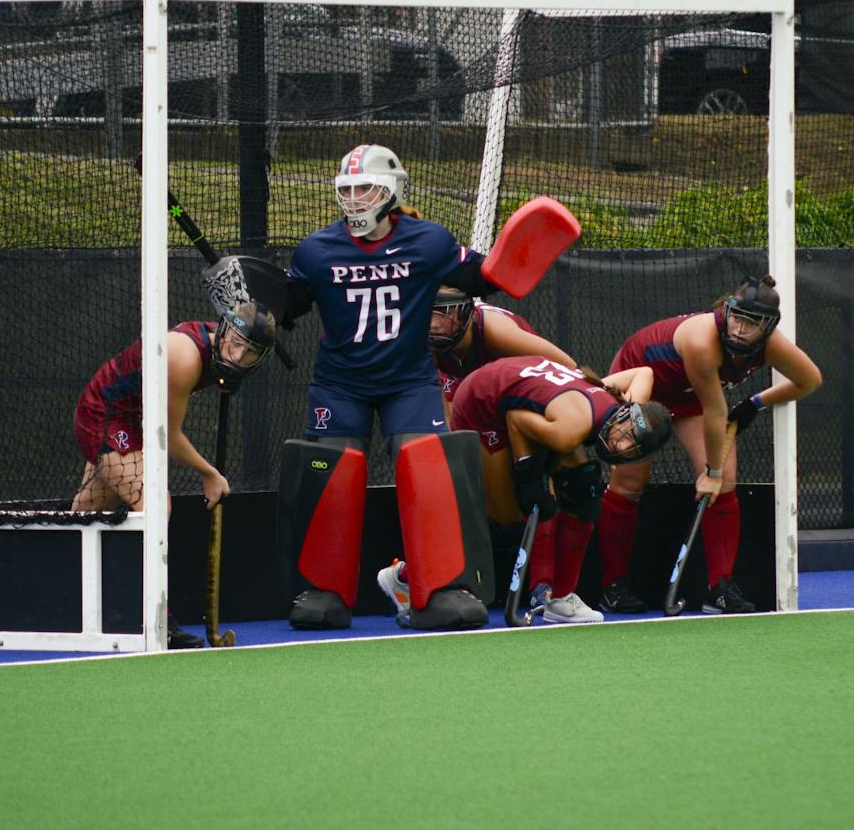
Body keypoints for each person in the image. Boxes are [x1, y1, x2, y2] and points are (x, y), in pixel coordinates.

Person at [282, 143, 499, 628]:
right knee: (331, 476)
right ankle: (325, 592)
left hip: (409, 380)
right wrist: (256, 298)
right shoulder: (316, 249)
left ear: (393, 191)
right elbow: (286, 305)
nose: (356, 198)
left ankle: (440, 588)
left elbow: (484, 276)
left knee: (429, 472)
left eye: (367, 188)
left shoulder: (430, 241)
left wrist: (519, 256)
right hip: (340, 384)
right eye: (348, 189)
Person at [381, 354, 672, 625]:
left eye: (634, 447)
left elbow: (644, 372)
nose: (623, 446)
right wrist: (527, 473)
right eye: (627, 436)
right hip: (483, 401)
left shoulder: (621, 406)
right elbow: (517, 419)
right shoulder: (571, 430)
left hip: (531, 398)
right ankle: (405, 577)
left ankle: (560, 599)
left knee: (583, 491)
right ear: (625, 414)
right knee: (506, 518)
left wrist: (626, 412)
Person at [595, 274, 822, 615]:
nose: (740, 331)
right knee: (630, 480)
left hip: (687, 398)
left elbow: (809, 379)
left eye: (753, 324)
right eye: (737, 318)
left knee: (725, 481)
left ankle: (720, 588)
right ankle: (611, 585)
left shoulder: (772, 345)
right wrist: (710, 472)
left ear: (769, 327)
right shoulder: (703, 342)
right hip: (641, 378)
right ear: (726, 310)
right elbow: (716, 410)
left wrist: (754, 403)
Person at [72, 300, 277, 647]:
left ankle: (63, 598)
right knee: (155, 505)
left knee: (88, 516)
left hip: (133, 418)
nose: (238, 356)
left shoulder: (218, 353)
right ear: (223, 330)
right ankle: (154, 619)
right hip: (106, 415)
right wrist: (210, 474)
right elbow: (168, 434)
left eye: (250, 353)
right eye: (237, 343)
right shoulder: (185, 356)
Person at [429, 287, 578, 428]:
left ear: (465, 312)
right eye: (430, 313)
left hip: (520, 387)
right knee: (448, 415)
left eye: (444, 312)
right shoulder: (426, 338)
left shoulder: (495, 331)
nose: (434, 324)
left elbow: (567, 365)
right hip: (473, 386)